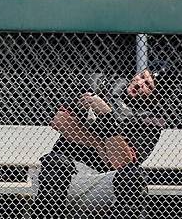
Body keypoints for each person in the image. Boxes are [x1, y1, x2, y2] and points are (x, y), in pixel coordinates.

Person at [31, 64, 169, 219]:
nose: (140, 83)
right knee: (55, 162)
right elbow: (59, 120)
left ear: (156, 95)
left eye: (148, 85)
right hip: (67, 174)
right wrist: (98, 144)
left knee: (133, 177)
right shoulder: (102, 83)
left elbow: (121, 164)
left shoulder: (151, 119)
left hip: (103, 182)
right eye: (142, 77)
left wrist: (106, 115)